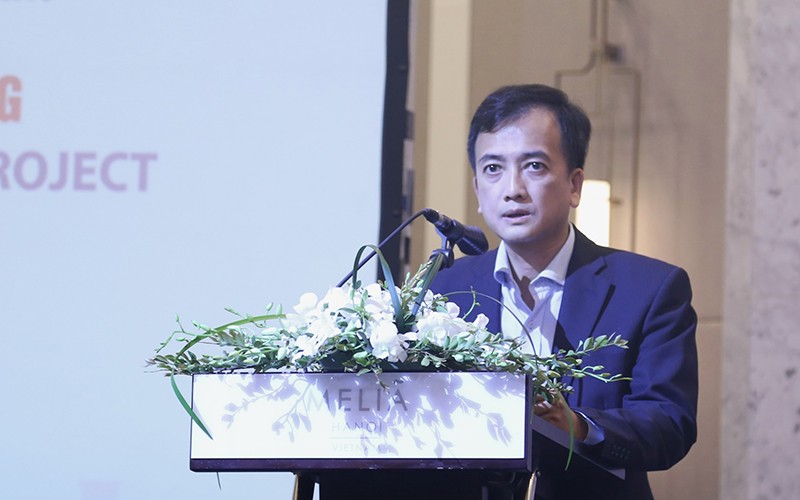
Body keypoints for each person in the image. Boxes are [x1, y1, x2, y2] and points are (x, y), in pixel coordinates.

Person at [430, 84, 698, 500]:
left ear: (575, 185)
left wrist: (579, 427)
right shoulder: (444, 288)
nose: (513, 188)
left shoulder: (650, 289)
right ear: (478, 190)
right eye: (493, 168)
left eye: (534, 166)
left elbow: (669, 423)